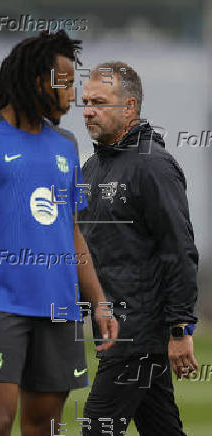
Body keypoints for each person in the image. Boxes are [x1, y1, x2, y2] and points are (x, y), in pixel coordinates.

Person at [0, 31, 118, 436]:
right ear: (38, 81)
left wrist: (99, 302)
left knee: (45, 427)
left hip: (59, 309)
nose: (74, 95)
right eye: (65, 83)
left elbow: (72, 234)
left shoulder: (67, 146)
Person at [78, 61, 199, 435]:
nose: (88, 111)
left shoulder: (153, 166)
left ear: (129, 108)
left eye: (99, 102)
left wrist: (180, 329)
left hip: (136, 333)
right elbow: (93, 251)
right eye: (85, 102)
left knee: (97, 429)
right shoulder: (92, 168)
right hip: (114, 330)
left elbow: (179, 250)